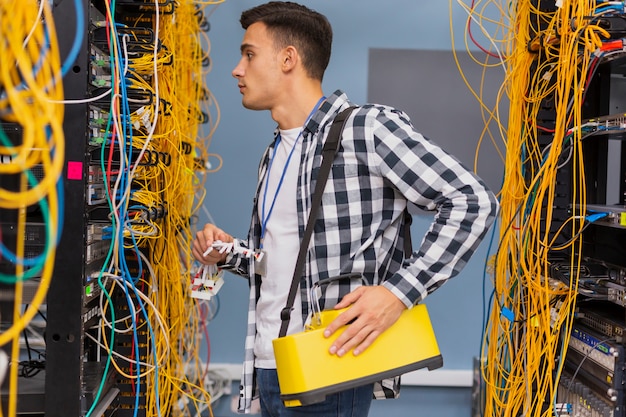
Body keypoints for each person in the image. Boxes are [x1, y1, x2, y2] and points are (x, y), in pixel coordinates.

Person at [192, 2, 499, 416]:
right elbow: (288, 263)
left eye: (248, 54)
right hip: (266, 366)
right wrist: (232, 253)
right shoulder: (276, 152)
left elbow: (472, 200)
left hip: (328, 367)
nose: (237, 69)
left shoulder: (366, 129)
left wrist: (397, 293)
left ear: (288, 59)